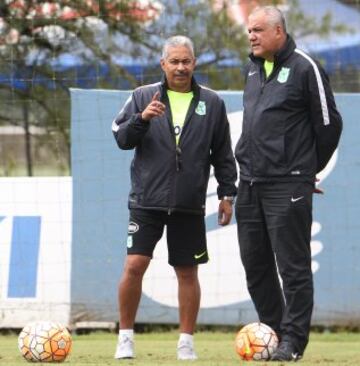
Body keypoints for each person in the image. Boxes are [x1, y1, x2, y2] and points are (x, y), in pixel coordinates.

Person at [111, 35, 237, 360]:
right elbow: (121, 138)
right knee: (134, 264)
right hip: (146, 201)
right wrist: (142, 120)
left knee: (187, 272)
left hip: (189, 203)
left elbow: (223, 153)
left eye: (186, 61)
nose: (180, 67)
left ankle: (186, 341)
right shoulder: (141, 97)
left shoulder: (212, 102)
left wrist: (227, 194)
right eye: (174, 61)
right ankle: (125, 337)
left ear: (194, 64)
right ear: (163, 64)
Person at [234, 6, 342, 362]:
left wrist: (305, 172)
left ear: (279, 32)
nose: (252, 36)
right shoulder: (251, 68)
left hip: (288, 184)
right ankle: (273, 334)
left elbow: (329, 125)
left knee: (292, 268)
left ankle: (293, 342)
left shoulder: (304, 67)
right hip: (249, 184)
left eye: (259, 30)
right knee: (255, 266)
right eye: (250, 30)